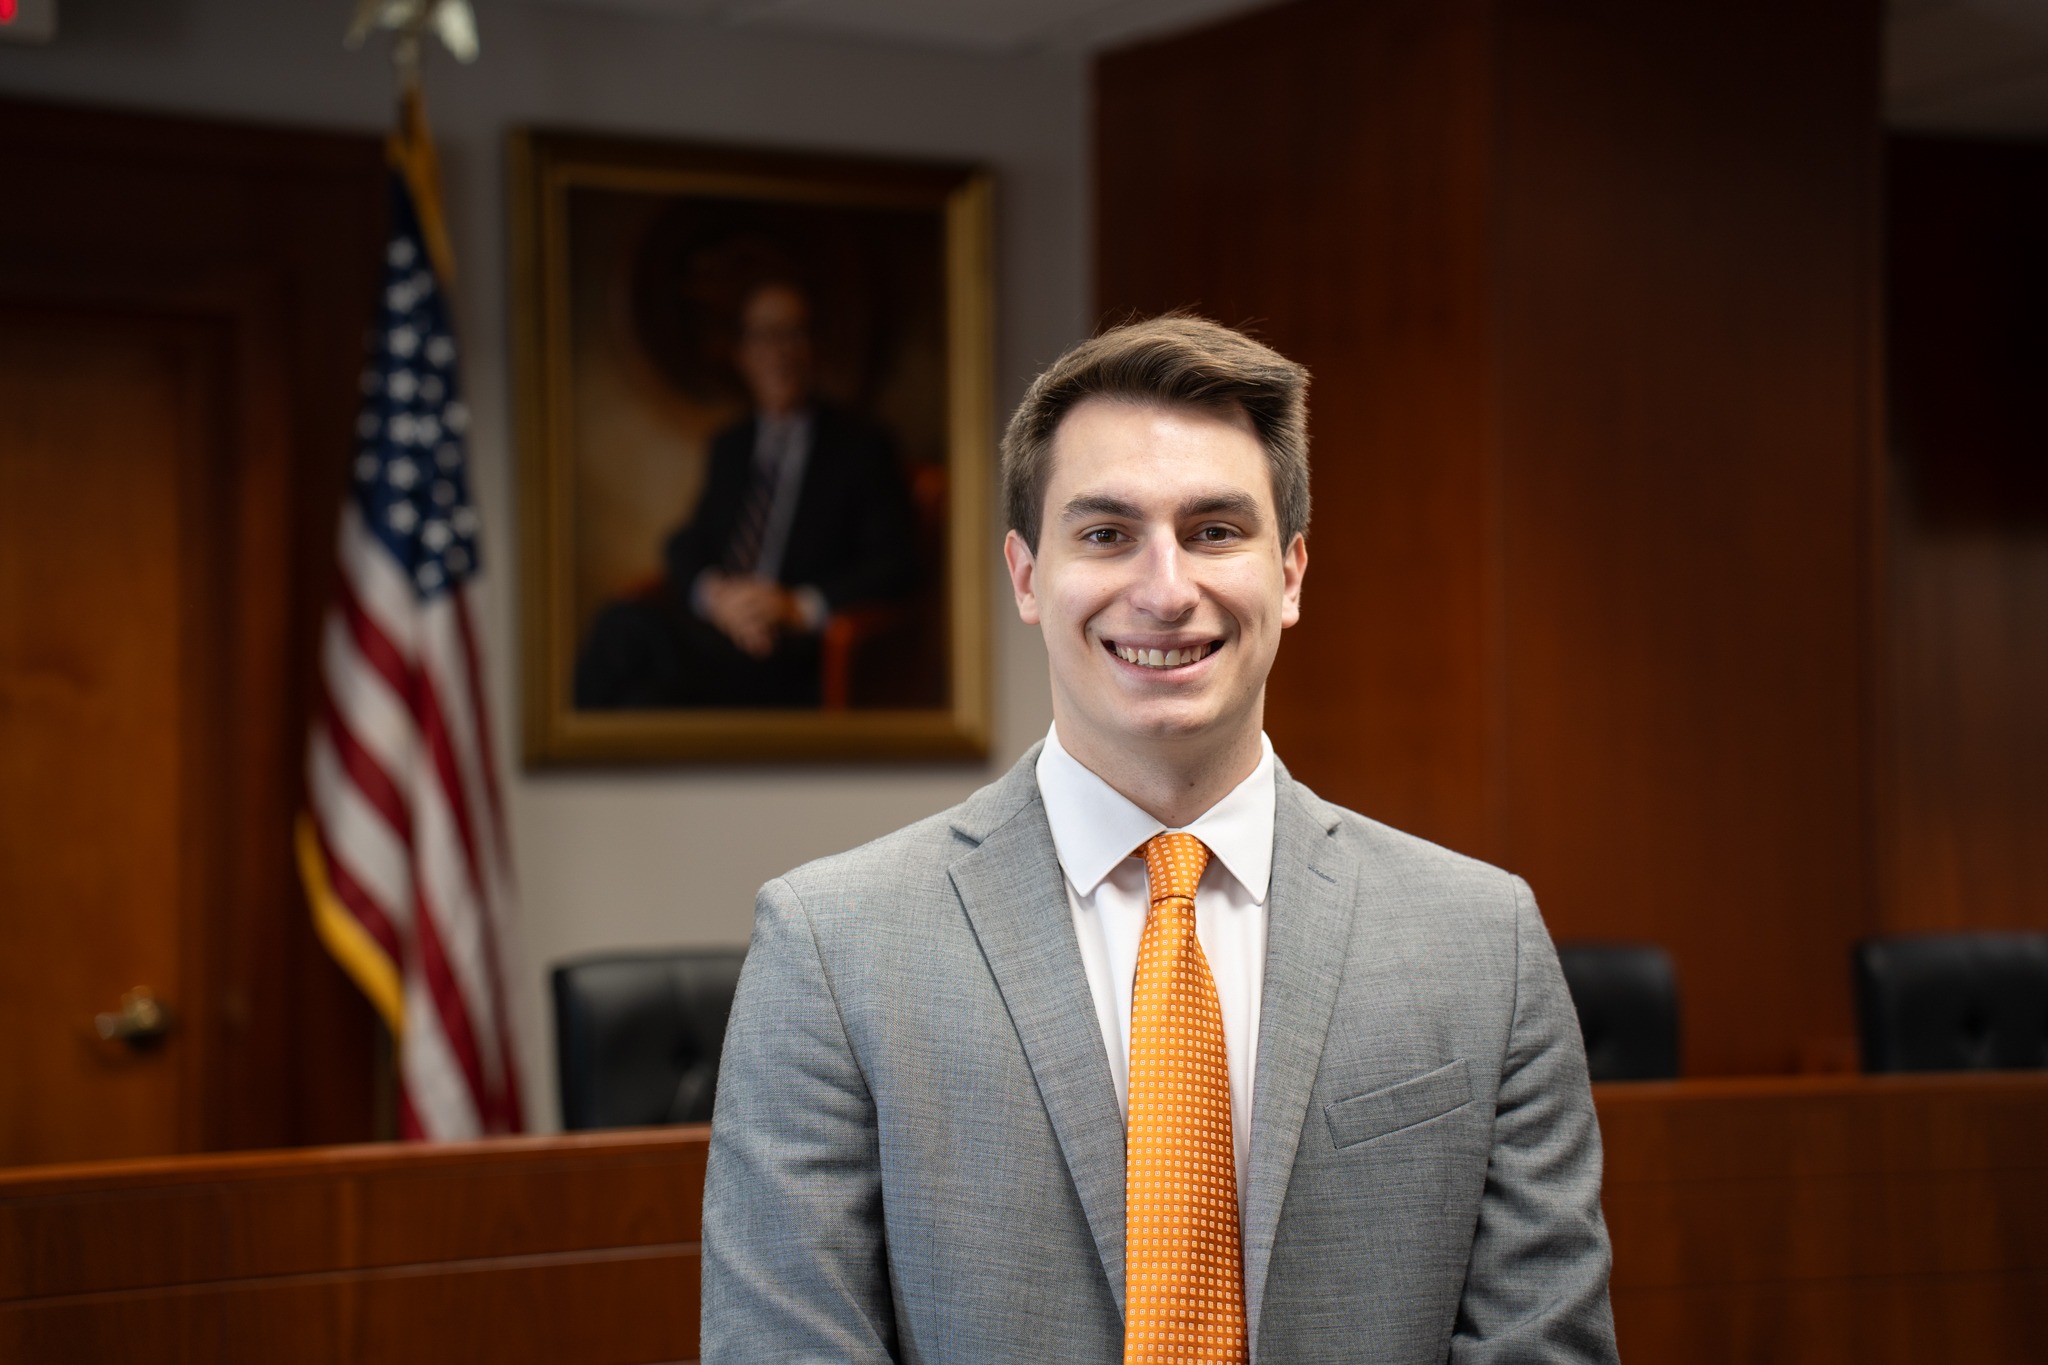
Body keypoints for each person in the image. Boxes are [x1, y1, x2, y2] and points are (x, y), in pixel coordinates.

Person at [701, 316, 1618, 1363]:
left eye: (1215, 531)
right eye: (1105, 534)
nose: (1166, 589)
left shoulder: (1483, 943)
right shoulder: (831, 948)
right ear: (1026, 577)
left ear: (1291, 573)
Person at [573, 280, 920, 708]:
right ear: (741, 353)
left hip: (791, 651)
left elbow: (895, 564)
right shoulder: (731, 446)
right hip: (722, 636)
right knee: (641, 700)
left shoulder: (861, 447)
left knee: (624, 626)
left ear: (816, 347)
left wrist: (796, 606)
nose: (779, 351)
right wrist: (718, 599)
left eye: (793, 333)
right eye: (763, 335)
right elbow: (687, 544)